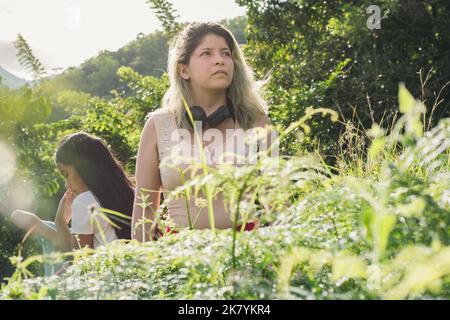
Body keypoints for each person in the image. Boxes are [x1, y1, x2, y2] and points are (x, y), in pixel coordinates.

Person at [132, 22, 276, 242]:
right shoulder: (158, 126)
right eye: (206, 53)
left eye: (226, 53)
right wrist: (139, 270)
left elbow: (277, 202)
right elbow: (144, 210)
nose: (219, 60)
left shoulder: (256, 122)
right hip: (178, 260)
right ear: (184, 69)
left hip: (247, 254)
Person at [10, 132, 135, 257]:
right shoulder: (133, 193)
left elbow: (77, 261)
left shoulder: (84, 202)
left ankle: (52, 236)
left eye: (66, 174)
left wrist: (60, 221)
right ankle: (52, 235)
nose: (66, 184)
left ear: (84, 167)